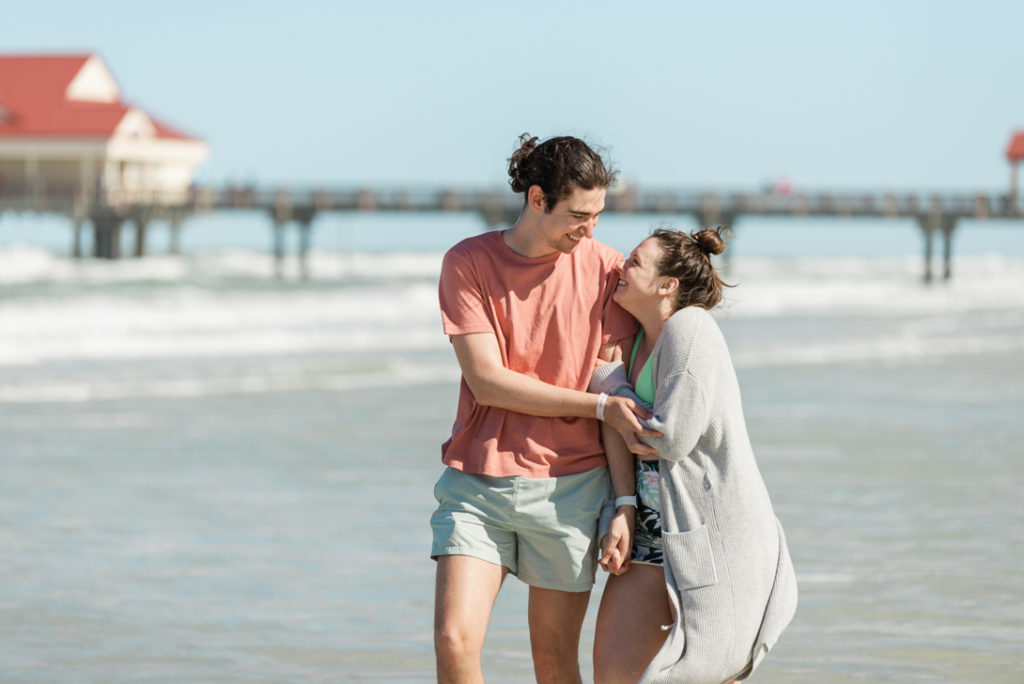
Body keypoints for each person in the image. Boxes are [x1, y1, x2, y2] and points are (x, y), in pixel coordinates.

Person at [431, 133, 659, 684]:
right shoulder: (468, 262)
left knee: (553, 666)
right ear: (537, 200)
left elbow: (616, 398)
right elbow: (488, 382)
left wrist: (624, 503)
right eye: (578, 216)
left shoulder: (606, 271)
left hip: (572, 491)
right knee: (454, 641)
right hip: (477, 483)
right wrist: (598, 406)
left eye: (599, 215)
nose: (590, 230)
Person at [590, 227, 798, 684]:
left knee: (705, 673)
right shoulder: (637, 341)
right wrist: (622, 507)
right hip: (649, 532)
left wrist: (611, 388)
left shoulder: (690, 326)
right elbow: (615, 426)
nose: (621, 268)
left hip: (710, 534)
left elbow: (668, 438)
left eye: (636, 262)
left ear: (667, 286)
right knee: (613, 675)